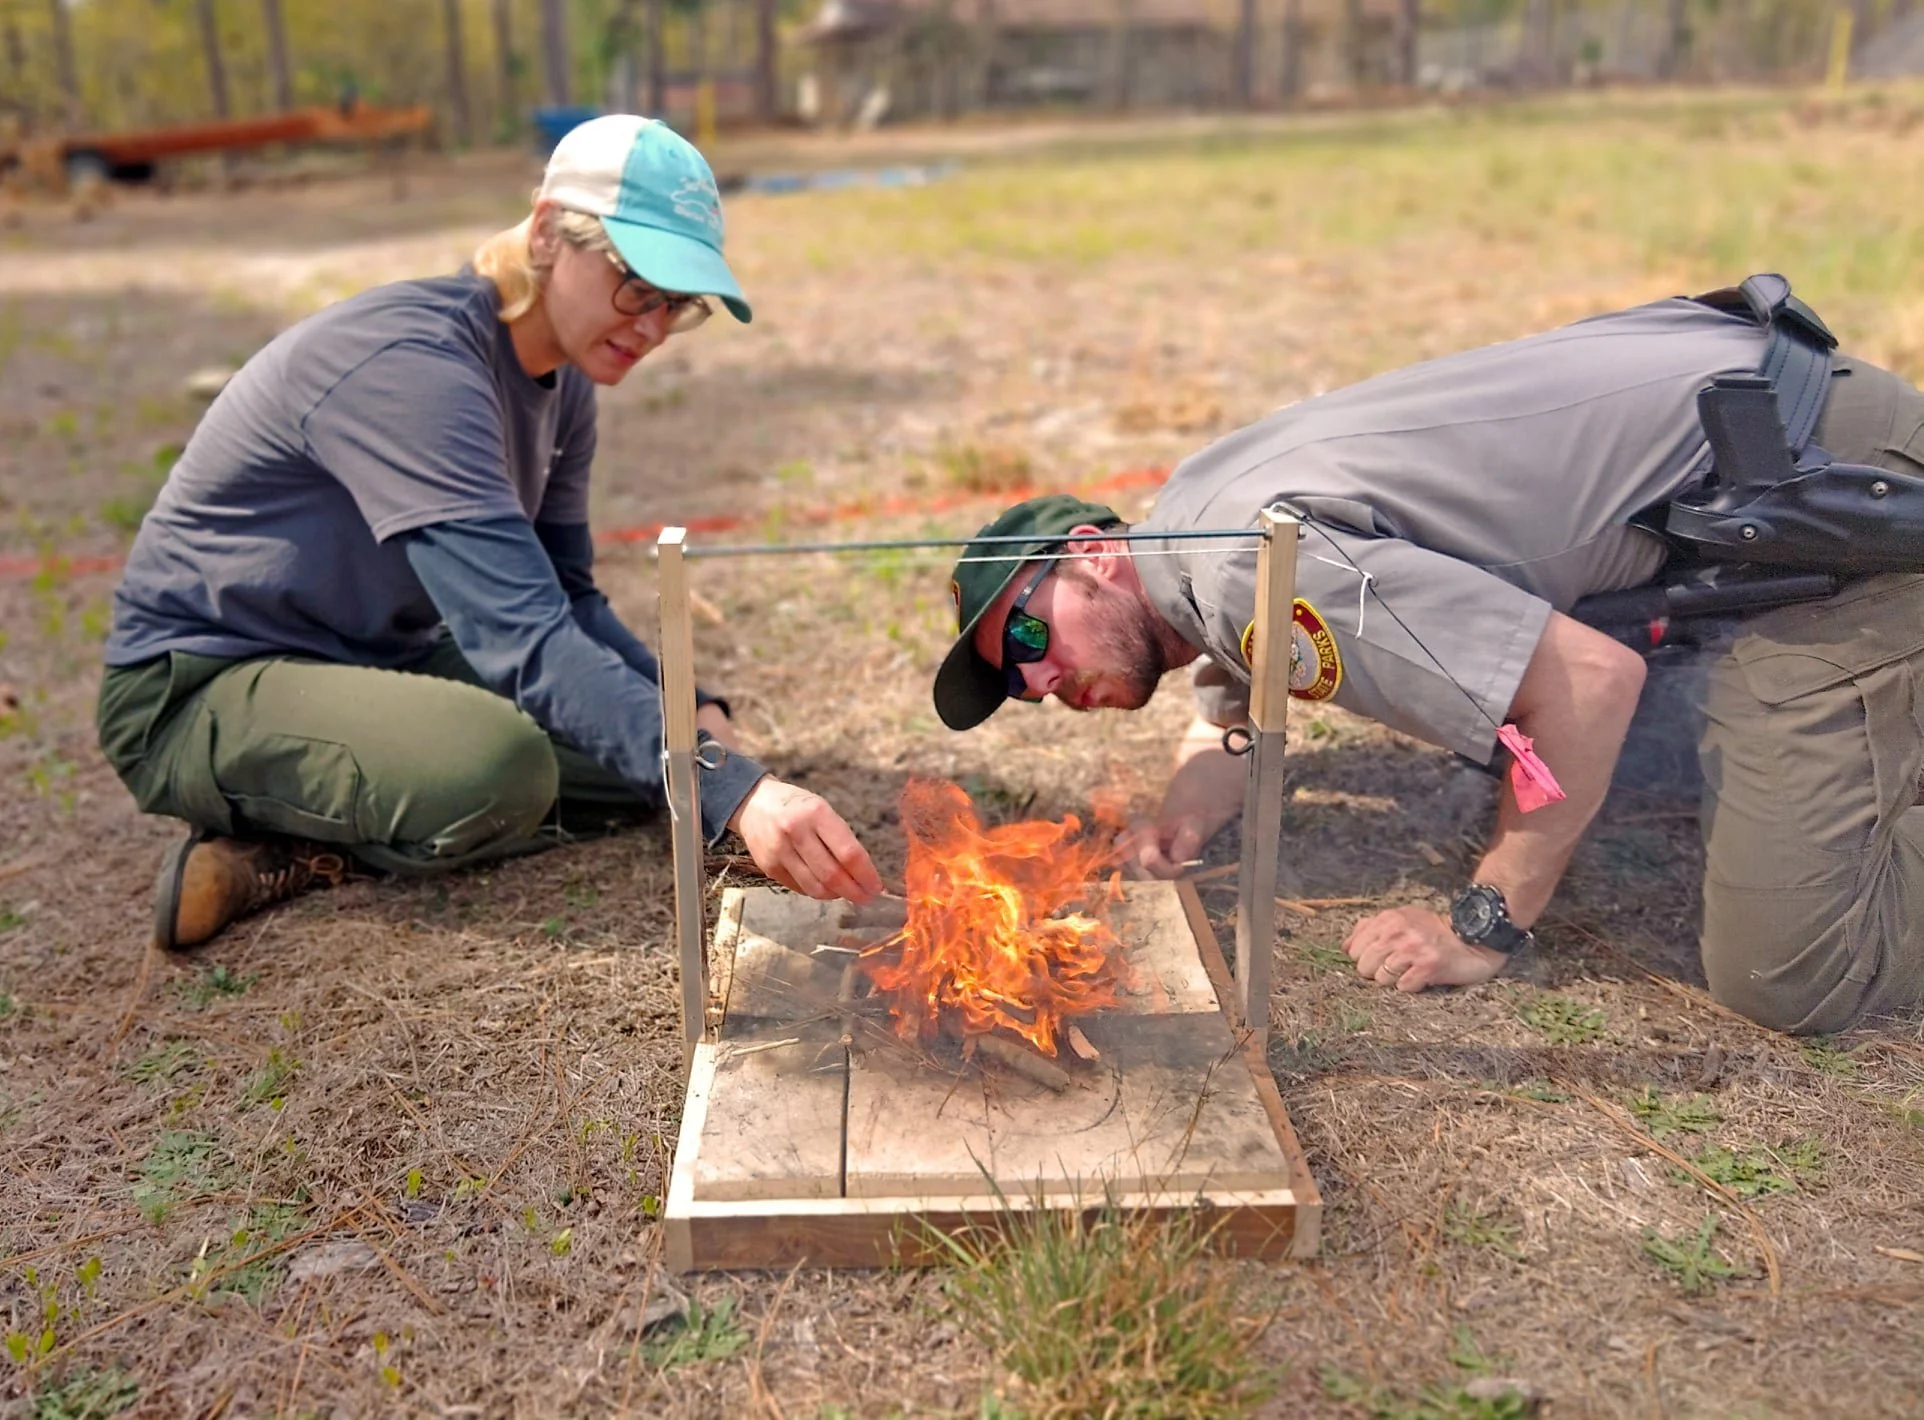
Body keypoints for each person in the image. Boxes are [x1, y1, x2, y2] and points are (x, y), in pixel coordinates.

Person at [932, 278, 1924, 1035]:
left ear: (1093, 553)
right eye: (1016, 683)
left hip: (1826, 506)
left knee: (1787, 973)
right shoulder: (1193, 514)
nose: (1038, 679)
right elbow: (1235, 674)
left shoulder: (1232, 573)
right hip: (1756, 436)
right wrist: (1191, 802)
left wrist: (1483, 924)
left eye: (1028, 635)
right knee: (1582, 751)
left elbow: (1588, 683)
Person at [99, 115, 881, 951]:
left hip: (370, 657)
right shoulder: (417, 370)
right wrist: (734, 790)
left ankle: (341, 804)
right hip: (199, 681)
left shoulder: (563, 383)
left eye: (678, 304)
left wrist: (693, 711)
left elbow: (567, 597)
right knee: (499, 768)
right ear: (546, 234)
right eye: (636, 285)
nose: (652, 326)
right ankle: (297, 845)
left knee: (638, 759)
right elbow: (523, 636)